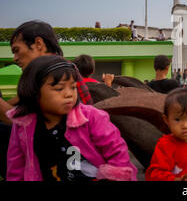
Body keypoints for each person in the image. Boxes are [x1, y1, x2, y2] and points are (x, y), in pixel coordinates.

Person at [6, 55, 137, 181]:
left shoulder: (92, 117)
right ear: (34, 92)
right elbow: (16, 166)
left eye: (73, 87)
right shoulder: (23, 124)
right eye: (59, 88)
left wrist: (116, 176)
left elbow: (117, 152)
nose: (69, 94)